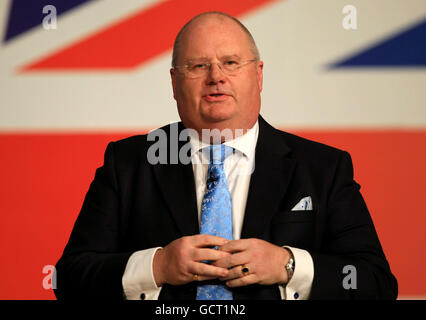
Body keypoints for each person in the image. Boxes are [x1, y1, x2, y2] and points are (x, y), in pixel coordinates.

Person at [54, 11, 397, 300]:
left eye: (230, 63)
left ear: (258, 75)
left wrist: (287, 265)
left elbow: (375, 283)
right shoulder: (129, 163)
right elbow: (70, 279)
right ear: (175, 83)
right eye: (198, 65)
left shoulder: (323, 168)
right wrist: (157, 267)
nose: (216, 77)